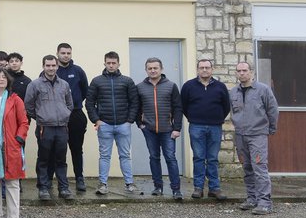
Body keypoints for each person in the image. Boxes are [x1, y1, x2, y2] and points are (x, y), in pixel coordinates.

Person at [85, 51, 141, 195]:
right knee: (104, 155)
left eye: (113, 63)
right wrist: (96, 120)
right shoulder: (97, 81)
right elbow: (90, 103)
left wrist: (129, 120)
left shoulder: (127, 81)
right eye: (108, 63)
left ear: (118, 64)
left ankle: (129, 183)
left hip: (123, 125)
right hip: (105, 125)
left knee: (125, 155)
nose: (111, 65)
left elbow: (134, 102)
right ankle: (102, 184)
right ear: (104, 63)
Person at [230, 61, 280, 215]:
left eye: (245, 70)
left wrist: (271, 128)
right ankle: (252, 199)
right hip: (241, 135)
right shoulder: (233, 92)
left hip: (257, 134)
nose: (242, 73)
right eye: (239, 71)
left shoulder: (263, 90)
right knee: (247, 168)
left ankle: (265, 202)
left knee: (259, 168)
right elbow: (233, 111)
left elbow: (272, 109)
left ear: (251, 72)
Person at [25, 55, 75, 201]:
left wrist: (65, 115)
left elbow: (70, 104)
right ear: (43, 66)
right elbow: (28, 106)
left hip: (62, 128)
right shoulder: (35, 85)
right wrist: (41, 117)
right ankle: (43, 188)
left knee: (61, 159)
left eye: (53, 65)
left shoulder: (64, 84)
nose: (51, 68)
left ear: (57, 66)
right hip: (44, 128)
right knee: (44, 158)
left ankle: (63, 188)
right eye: (48, 65)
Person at [0, 69, 30, 218]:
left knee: (12, 183)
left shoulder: (15, 99)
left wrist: (19, 138)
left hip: (11, 145)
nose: (1, 79)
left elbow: (24, 122)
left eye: (4, 77)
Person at [180, 58, 231, 200]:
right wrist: (194, 117)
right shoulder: (188, 86)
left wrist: (217, 118)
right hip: (196, 126)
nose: (204, 70)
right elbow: (183, 106)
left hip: (215, 126)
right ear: (197, 69)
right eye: (201, 67)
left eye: (207, 67)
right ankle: (198, 188)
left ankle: (214, 188)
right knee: (198, 157)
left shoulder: (220, 87)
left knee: (213, 158)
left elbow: (226, 106)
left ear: (212, 69)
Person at [136, 58, 184, 200]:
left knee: (170, 158)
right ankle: (158, 187)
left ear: (161, 69)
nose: (153, 70)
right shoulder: (140, 87)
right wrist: (140, 124)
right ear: (146, 70)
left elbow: (178, 108)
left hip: (168, 130)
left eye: (155, 68)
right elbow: (136, 107)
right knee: (154, 157)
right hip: (149, 129)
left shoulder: (171, 86)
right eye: (150, 68)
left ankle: (176, 189)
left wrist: (177, 128)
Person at [55, 43, 90, 191]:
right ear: (57, 53)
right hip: (56, 116)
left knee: (76, 149)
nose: (66, 55)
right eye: (63, 53)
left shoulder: (78, 71)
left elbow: (85, 91)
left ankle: (79, 178)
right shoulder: (51, 71)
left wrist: (74, 104)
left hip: (75, 115)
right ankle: (59, 181)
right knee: (57, 150)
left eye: (68, 53)